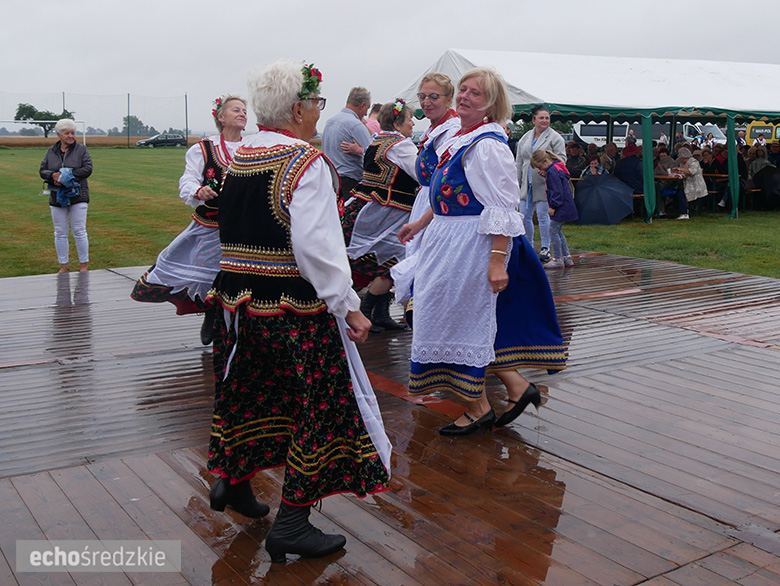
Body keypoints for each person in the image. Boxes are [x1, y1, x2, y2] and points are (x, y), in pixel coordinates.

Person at [206, 60, 391, 562]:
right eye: (314, 103)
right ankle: (292, 522)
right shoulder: (303, 163)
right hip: (294, 309)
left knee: (249, 394)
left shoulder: (241, 155)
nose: (317, 112)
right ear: (296, 109)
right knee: (319, 406)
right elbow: (317, 249)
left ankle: (233, 481)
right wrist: (348, 306)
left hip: (239, 305)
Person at [398, 68, 566, 436]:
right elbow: (448, 192)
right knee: (453, 322)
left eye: (475, 93)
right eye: (463, 89)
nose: (465, 96)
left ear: (490, 104)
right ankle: (514, 389)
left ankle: (478, 407)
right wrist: (421, 223)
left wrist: (495, 262)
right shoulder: (461, 137)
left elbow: (502, 207)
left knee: (453, 323)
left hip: (470, 244)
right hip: (448, 239)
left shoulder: (487, 144)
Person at [131, 95, 247, 345]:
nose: (242, 114)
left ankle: (239, 323)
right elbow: (189, 178)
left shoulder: (253, 148)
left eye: (245, 111)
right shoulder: (204, 148)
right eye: (236, 110)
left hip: (243, 225)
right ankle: (211, 313)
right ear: (221, 117)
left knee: (242, 273)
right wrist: (198, 191)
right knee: (209, 274)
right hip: (212, 225)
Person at [342, 99, 418, 332]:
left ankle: (381, 314)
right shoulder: (401, 146)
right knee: (394, 262)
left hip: (366, 210)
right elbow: (422, 173)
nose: (413, 123)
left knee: (385, 262)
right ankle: (367, 311)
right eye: (409, 119)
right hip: (385, 215)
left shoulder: (376, 141)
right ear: (397, 123)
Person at [389, 72, 460, 321]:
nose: (426, 102)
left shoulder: (452, 130)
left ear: (449, 99)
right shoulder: (434, 128)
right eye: (422, 96)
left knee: (431, 261)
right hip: (425, 198)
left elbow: (450, 179)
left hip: (438, 202)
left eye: (433, 97)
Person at [39, 119, 93, 273]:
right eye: (67, 133)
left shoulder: (81, 150)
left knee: (79, 231)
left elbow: (87, 169)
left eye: (73, 133)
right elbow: (42, 170)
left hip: (78, 196)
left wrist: (66, 176)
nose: (71, 136)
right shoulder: (51, 151)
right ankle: (63, 265)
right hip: (57, 197)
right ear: (59, 135)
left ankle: (84, 265)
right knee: (60, 232)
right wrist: (53, 176)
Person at [515, 106, 566, 263]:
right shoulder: (525, 138)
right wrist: (516, 182)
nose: (545, 121)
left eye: (547, 118)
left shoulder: (555, 138)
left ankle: (545, 247)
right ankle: (528, 246)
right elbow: (519, 161)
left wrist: (549, 170)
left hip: (545, 183)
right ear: (534, 120)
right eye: (541, 118)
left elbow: (562, 160)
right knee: (524, 215)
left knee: (543, 216)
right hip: (526, 182)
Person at [321, 87, 372, 203]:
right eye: (367, 109)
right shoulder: (356, 125)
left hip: (330, 180)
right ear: (362, 105)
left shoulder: (329, 122)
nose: (366, 114)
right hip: (349, 183)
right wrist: (361, 150)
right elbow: (372, 155)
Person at [530, 150, 578, 269]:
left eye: (540, 167)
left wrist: (553, 206)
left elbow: (557, 191)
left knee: (552, 230)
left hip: (560, 207)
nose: (540, 170)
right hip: (566, 205)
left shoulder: (552, 172)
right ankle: (566, 257)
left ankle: (558, 258)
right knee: (558, 231)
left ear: (545, 161)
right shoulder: (556, 168)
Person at [671, 147, 708, 220]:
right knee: (676, 192)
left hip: (696, 186)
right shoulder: (683, 164)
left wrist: (680, 169)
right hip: (686, 184)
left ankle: (684, 213)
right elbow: (683, 172)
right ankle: (681, 211)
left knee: (681, 194)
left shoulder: (694, 162)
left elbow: (691, 171)